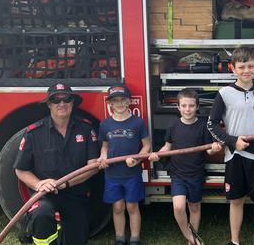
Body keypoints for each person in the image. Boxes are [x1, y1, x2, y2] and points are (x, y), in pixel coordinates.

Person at [207, 47, 254, 245]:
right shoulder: (224, 93)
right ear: (233, 68)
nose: (246, 71)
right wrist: (233, 141)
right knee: (236, 200)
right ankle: (234, 241)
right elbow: (212, 124)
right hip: (235, 155)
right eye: (241, 67)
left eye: (250, 66)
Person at [14, 82, 99, 245]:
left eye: (66, 99)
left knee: (77, 238)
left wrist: (65, 184)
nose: (62, 104)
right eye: (56, 100)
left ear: (72, 103)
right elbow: (21, 170)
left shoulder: (86, 129)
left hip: (75, 194)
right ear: (48, 104)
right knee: (42, 214)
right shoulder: (34, 133)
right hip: (45, 195)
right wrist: (39, 184)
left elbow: (93, 166)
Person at [148, 88, 223, 245]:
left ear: (197, 106)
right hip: (178, 174)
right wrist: (158, 154)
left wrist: (214, 148)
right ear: (178, 107)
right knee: (178, 207)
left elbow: (208, 149)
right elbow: (167, 147)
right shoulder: (173, 126)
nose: (187, 109)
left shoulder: (203, 126)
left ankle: (193, 237)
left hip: (196, 173)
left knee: (194, 207)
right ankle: (189, 236)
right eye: (183, 106)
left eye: (190, 106)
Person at [97, 84, 151, 245]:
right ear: (110, 104)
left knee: (132, 206)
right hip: (112, 174)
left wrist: (137, 159)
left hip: (131, 174)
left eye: (122, 100)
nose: (119, 104)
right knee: (118, 206)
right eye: (115, 101)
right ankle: (120, 237)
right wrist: (102, 157)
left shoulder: (138, 123)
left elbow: (146, 146)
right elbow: (105, 146)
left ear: (129, 101)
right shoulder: (105, 124)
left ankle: (135, 238)